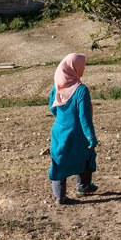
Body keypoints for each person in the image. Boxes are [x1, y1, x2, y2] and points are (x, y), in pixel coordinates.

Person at [48, 53, 99, 204]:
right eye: (82, 65)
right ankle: (83, 187)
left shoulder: (57, 87)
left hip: (59, 131)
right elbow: (84, 117)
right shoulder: (81, 90)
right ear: (75, 68)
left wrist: (63, 119)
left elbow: (53, 108)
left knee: (59, 160)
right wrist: (91, 136)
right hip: (77, 133)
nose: (83, 68)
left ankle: (59, 196)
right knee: (86, 155)